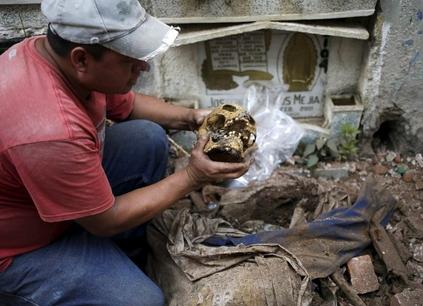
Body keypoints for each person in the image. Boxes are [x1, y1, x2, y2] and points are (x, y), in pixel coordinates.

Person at [0, 0, 251, 305]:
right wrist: (193, 176)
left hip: (57, 197)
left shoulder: (56, 55)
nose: (143, 66)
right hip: (19, 249)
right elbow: (105, 219)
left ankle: (123, 257)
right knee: (140, 301)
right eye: (130, 60)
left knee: (145, 138)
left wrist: (192, 117)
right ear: (81, 60)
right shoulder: (50, 130)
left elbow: (128, 106)